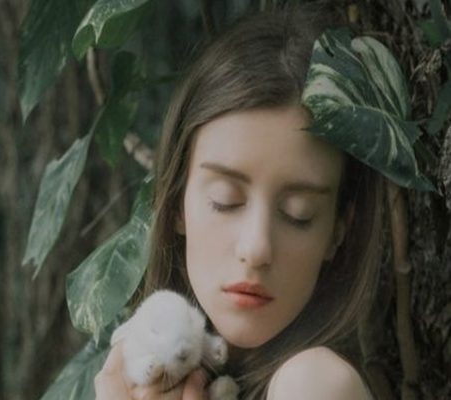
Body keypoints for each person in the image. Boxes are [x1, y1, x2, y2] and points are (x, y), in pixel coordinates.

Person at [95, 1, 384, 399]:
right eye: (225, 200)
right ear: (176, 202)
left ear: (338, 232)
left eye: (298, 214)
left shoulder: (314, 383)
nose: (256, 248)